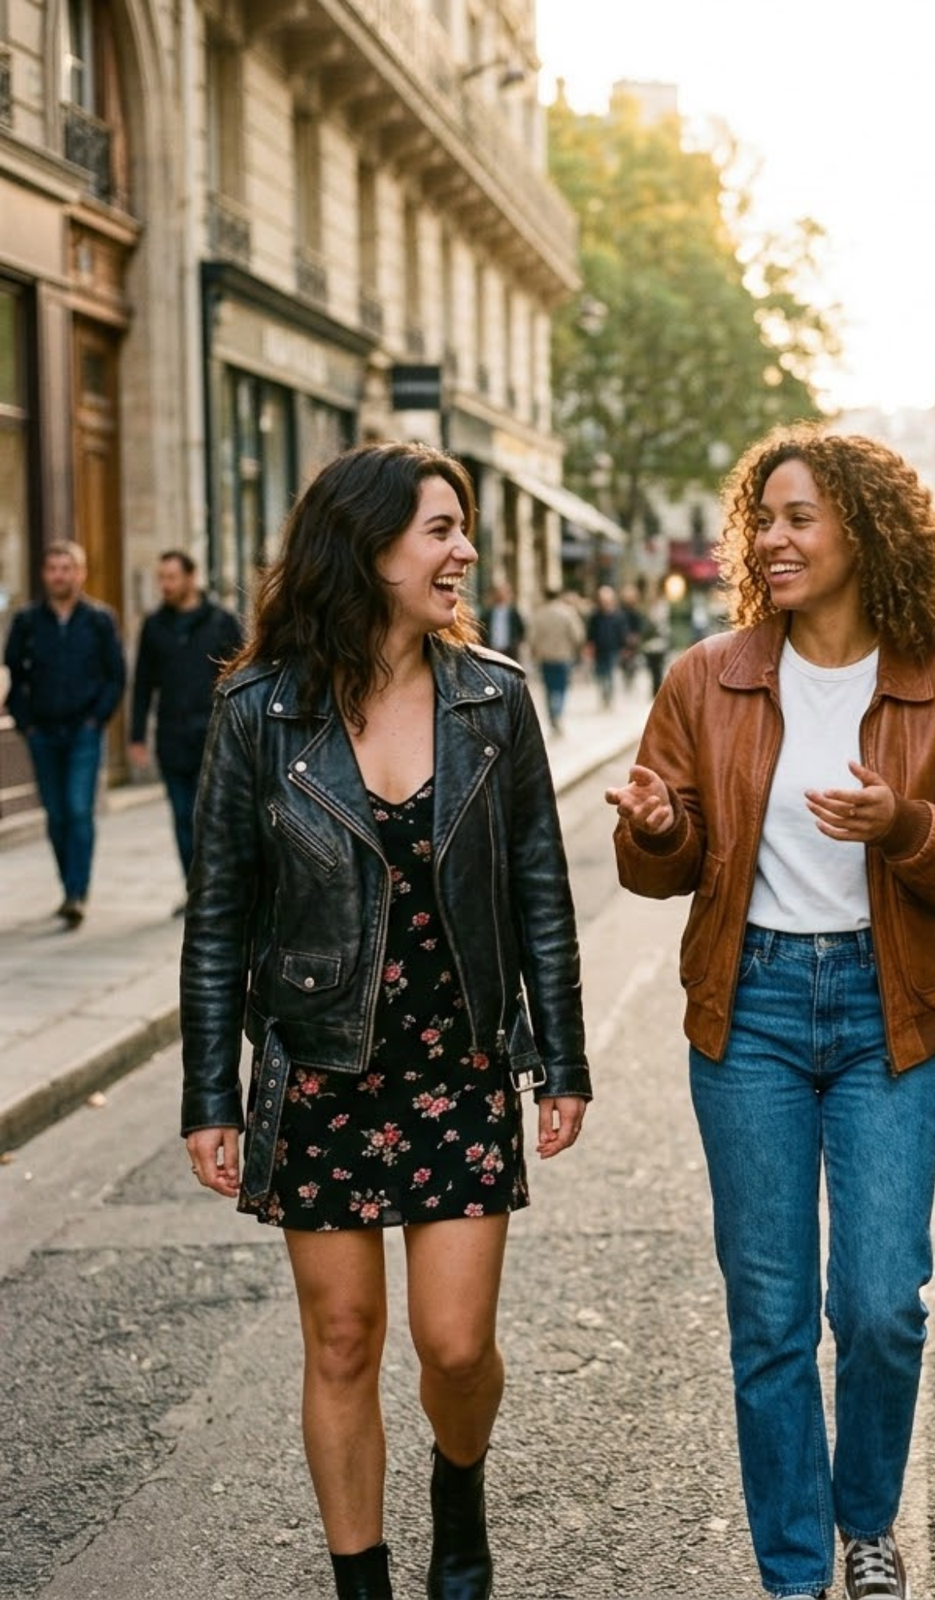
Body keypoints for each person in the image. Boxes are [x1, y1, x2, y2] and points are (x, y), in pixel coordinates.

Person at [606, 423, 935, 1600]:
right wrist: (655, 829)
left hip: (886, 1013)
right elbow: (669, 858)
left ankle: (867, 1520)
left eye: (800, 518)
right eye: (766, 521)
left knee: (882, 1303)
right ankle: (796, 1570)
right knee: (774, 1316)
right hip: (749, 1014)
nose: (774, 540)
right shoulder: (707, 676)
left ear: (866, 531)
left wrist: (903, 824)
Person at [179, 441, 591, 1600]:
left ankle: (457, 1497)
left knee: (455, 1347)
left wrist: (560, 1055)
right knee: (344, 1338)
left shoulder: (495, 700)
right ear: (368, 549)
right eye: (440, 530)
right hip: (321, 1066)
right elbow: (219, 915)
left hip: (457, 1061)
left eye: (462, 530)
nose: (464, 551)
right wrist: (210, 1093)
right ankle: (361, 1579)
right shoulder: (257, 712)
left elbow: (539, 890)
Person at [3, 539, 126, 928]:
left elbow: (116, 675)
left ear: (80, 572)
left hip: (84, 731)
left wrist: (97, 719)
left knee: (78, 809)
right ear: (44, 575)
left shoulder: (99, 619)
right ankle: (67, 886)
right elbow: (14, 673)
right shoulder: (26, 621)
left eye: (67, 568)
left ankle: (77, 891)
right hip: (43, 731)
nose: (60, 575)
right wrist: (26, 722)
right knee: (56, 814)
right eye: (53, 568)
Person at [128, 550, 245, 895]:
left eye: (171, 577)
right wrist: (137, 736)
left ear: (190, 578)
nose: (165, 585)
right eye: (161, 578)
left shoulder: (221, 622)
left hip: (213, 735)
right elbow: (143, 683)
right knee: (181, 816)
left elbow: (241, 677)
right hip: (171, 736)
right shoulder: (154, 626)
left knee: (211, 818)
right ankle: (194, 888)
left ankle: (216, 889)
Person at [526, 588, 587, 735]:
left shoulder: (539, 614)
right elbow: (578, 635)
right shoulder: (567, 612)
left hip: (545, 657)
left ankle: (552, 717)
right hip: (564, 656)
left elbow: (531, 637)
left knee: (548, 688)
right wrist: (575, 649)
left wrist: (535, 651)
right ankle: (558, 714)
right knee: (561, 688)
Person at [586, 583, 632, 709]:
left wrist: (624, 648)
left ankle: (608, 697)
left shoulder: (618, 616)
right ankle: (604, 695)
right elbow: (590, 633)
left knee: (610, 674)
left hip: (612, 649)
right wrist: (589, 646)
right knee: (600, 674)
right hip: (599, 650)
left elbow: (623, 633)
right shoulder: (595, 616)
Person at [482, 580, 526, 661]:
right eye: (499, 592)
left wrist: (515, 644)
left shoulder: (513, 613)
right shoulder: (488, 614)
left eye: (504, 592)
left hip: (510, 651)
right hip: (492, 650)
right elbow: (482, 631)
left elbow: (521, 631)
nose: (501, 595)